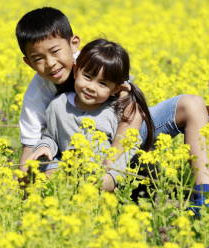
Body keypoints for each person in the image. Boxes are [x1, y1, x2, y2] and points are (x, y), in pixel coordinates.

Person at [15, 7, 209, 211]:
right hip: (75, 146)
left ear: (74, 44)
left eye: (55, 52)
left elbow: (132, 112)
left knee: (192, 105)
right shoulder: (36, 95)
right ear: (28, 63)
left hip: (123, 130)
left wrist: (111, 164)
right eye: (38, 59)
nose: (51, 64)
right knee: (45, 172)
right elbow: (30, 151)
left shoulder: (95, 58)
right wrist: (27, 179)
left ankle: (204, 197)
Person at [30, 38, 154, 191]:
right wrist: (45, 147)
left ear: (115, 89)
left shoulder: (115, 111)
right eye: (87, 77)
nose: (91, 87)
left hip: (103, 178)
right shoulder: (58, 105)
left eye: (102, 84)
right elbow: (51, 136)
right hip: (69, 175)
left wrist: (113, 178)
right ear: (76, 71)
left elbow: (126, 149)